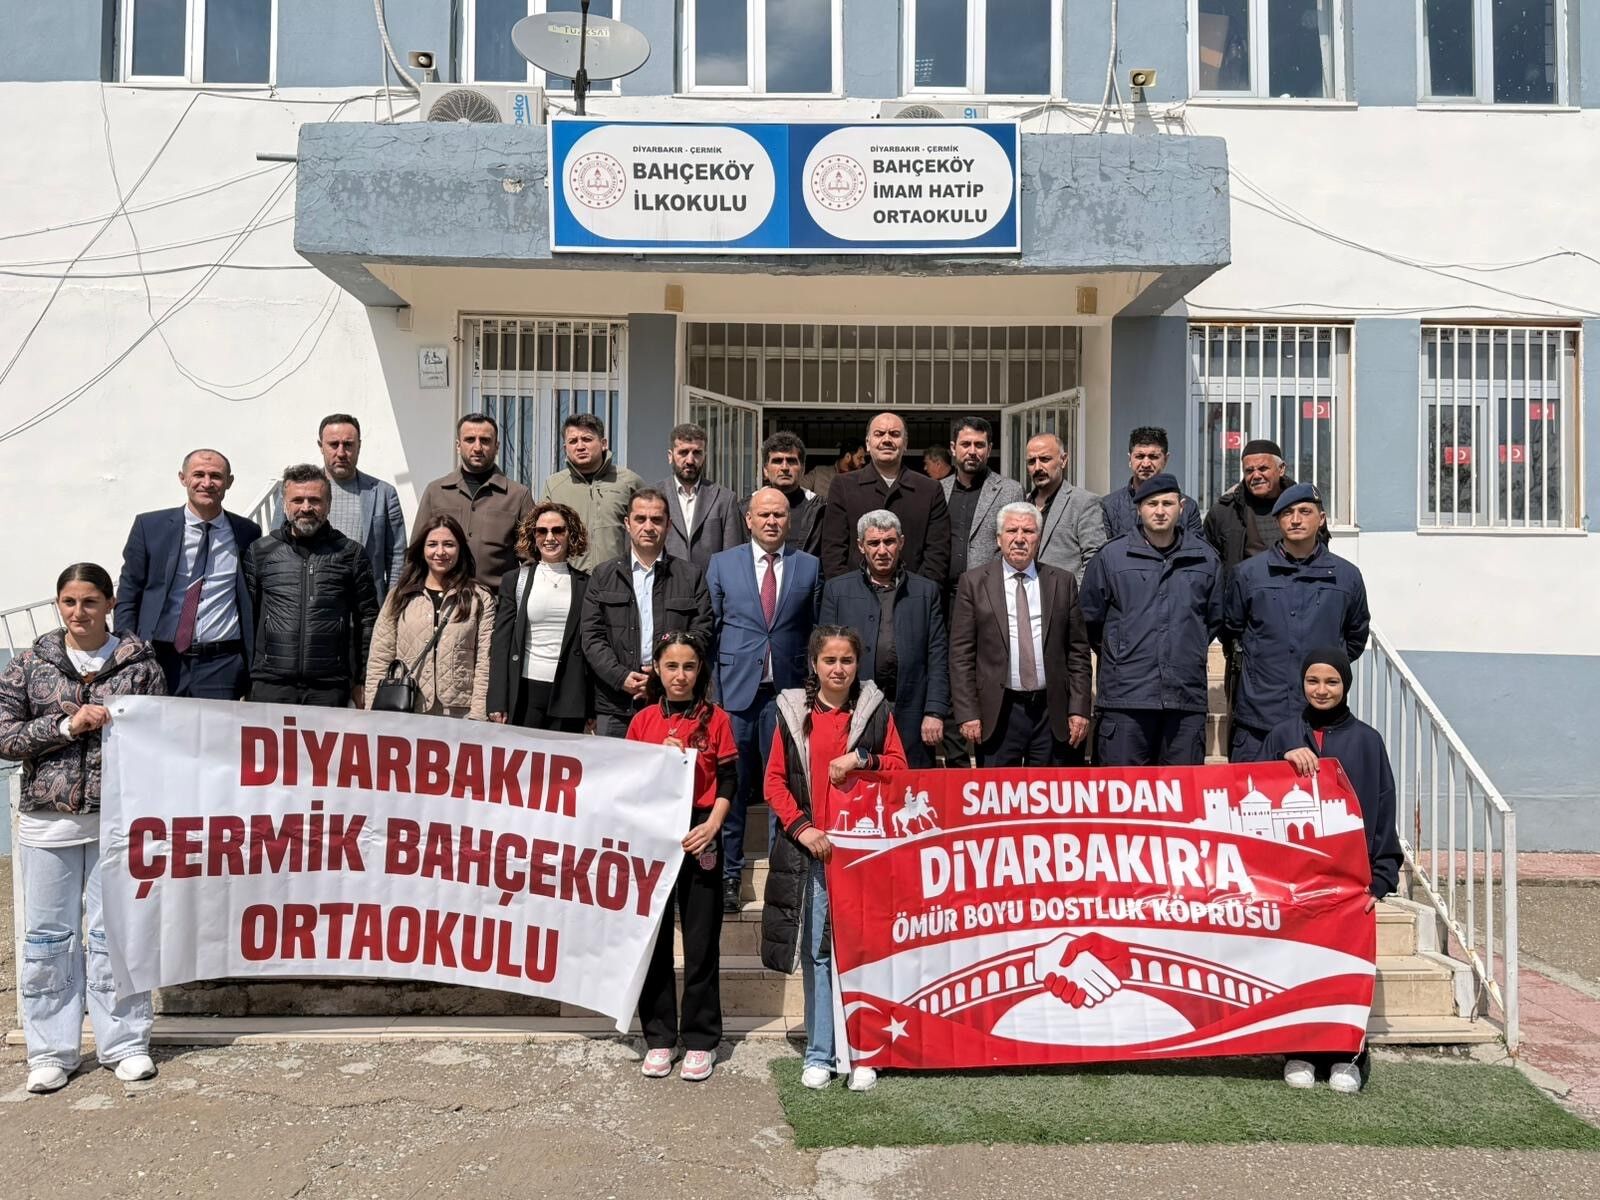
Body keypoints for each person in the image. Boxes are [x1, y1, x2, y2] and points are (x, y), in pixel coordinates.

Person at [0, 563, 167, 1094]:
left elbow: (163, 735)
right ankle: (51, 1049)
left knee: (113, 932)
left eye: (90, 601)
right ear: (58, 605)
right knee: (49, 938)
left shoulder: (139, 664)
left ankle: (125, 1042)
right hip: (48, 823)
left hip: (116, 821)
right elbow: (4, 736)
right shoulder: (30, 665)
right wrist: (67, 725)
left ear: (110, 604)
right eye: (69, 602)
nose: (79, 612)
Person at [761, 626, 907, 1093]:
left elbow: (900, 769)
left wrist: (861, 758)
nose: (838, 669)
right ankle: (821, 1052)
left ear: (857, 664)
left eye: (847, 660)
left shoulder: (876, 710)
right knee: (818, 953)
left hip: (863, 857)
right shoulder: (793, 713)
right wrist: (804, 829)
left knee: (864, 954)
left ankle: (864, 1052)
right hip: (815, 856)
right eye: (830, 660)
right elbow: (774, 782)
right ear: (814, 664)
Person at [1264, 647, 1403, 1094]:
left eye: (1331, 682)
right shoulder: (1282, 734)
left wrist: (1380, 878)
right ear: (1301, 684)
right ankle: (1300, 1049)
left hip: (1349, 882)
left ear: (1345, 685)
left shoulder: (1367, 741)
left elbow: (1383, 808)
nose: (1321, 690)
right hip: (1296, 880)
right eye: (1313, 681)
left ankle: (1347, 1054)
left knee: (1345, 969)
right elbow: (1251, 786)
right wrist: (1282, 758)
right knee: (1298, 966)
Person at [627, 631, 738, 1083]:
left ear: (699, 671)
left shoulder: (717, 719)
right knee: (652, 942)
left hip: (701, 832)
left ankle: (700, 1039)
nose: (680, 675)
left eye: (689, 666)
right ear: (657, 668)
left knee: (700, 942)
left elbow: (729, 780)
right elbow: (628, 784)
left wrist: (713, 825)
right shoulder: (643, 720)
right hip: (653, 835)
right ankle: (659, 1037)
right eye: (671, 666)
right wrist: (660, 759)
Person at [706, 487, 821, 914]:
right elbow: (712, 628)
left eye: (779, 515)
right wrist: (714, 694)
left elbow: (815, 632)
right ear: (749, 520)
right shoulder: (722, 564)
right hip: (735, 694)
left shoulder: (809, 566)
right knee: (733, 787)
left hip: (788, 695)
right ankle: (730, 875)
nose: (772, 521)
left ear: (789, 520)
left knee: (783, 786)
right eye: (764, 515)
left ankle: (780, 876)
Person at [1080, 474, 1224, 767]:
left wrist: (1186, 648)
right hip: (1126, 699)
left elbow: (1213, 619)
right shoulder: (1111, 557)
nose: (1160, 511)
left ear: (1181, 507)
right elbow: (1090, 619)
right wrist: (1120, 652)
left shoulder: (1206, 559)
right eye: (1152, 504)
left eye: (1167, 504)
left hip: (1184, 699)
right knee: (1124, 790)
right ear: (1139, 509)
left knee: (1182, 791)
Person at [1224, 483, 1370, 763]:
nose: (1295, 519)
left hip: (1320, 721)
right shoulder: (1248, 573)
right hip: (1259, 718)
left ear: (1321, 519)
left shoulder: (1346, 576)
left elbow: (1355, 637)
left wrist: (1322, 671)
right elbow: (1231, 628)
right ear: (1277, 521)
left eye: (1305, 511)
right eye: (1287, 513)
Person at [949, 503, 1092, 767]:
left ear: (1039, 537)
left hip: (1051, 712)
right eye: (1011, 530)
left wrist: (1079, 708)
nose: (1019, 538)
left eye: (1028, 531)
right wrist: (967, 712)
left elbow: (1078, 653)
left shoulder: (1062, 582)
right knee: (999, 791)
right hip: (998, 711)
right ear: (998, 538)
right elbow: (961, 655)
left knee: (1048, 791)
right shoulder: (974, 583)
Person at [115, 448, 260, 699]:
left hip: (221, 665)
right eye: (198, 474)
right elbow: (129, 594)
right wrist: (126, 650)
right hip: (160, 659)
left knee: (216, 726)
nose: (207, 483)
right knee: (157, 725)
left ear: (229, 482)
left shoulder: (247, 532)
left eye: (216, 476)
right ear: (183, 478)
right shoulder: (150, 527)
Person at [819, 510, 949, 770]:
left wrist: (934, 711)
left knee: (910, 785)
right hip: (853, 711)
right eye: (874, 543)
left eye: (889, 541)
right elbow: (824, 655)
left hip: (912, 712)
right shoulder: (837, 590)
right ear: (861, 546)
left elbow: (937, 657)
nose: (882, 550)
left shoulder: (926, 591)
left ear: (901, 542)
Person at [244, 464, 380, 707]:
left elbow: (367, 620)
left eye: (315, 500)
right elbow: (247, 619)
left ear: (328, 504)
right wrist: (245, 677)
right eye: (297, 500)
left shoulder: (351, 554)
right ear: (285, 505)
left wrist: (363, 679)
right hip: (270, 684)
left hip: (329, 687)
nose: (306, 508)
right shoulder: (260, 551)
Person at [581, 489, 714, 737]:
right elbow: (592, 637)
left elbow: (701, 631)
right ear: (627, 524)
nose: (649, 527)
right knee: (614, 763)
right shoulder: (603, 575)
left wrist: (664, 673)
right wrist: (621, 677)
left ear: (669, 525)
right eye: (640, 519)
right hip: (616, 703)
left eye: (657, 520)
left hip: (672, 701)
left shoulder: (690, 575)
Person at [363, 515, 495, 719]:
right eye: (432, 544)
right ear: (422, 549)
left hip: (460, 712)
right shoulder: (400, 595)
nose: (440, 552)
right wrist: (373, 711)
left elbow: (485, 662)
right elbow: (380, 656)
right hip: (407, 708)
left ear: (460, 549)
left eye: (449, 544)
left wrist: (477, 716)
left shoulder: (480, 598)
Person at [272, 414, 407, 597]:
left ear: (359, 446)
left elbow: (397, 555)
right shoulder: (294, 492)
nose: (341, 453)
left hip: (364, 601)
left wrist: (392, 603)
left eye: (348, 444)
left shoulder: (383, 493)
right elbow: (277, 546)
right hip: (310, 600)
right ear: (321, 446)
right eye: (334, 444)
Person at [487, 503, 594, 733]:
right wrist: (497, 699)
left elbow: (592, 645)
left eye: (558, 530)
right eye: (542, 531)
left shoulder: (587, 584)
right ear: (532, 535)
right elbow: (501, 642)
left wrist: (591, 705)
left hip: (570, 694)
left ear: (571, 534)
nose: (550, 537)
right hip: (525, 692)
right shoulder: (515, 580)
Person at [819, 412, 951, 587]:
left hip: (913, 595)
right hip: (854, 596)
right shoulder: (843, 485)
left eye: (895, 434)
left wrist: (920, 594)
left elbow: (937, 553)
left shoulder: (930, 489)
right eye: (879, 434)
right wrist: (847, 594)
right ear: (868, 443)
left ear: (905, 443)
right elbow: (833, 551)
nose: (887, 439)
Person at [414, 413, 536, 588]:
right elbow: (416, 551)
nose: (477, 447)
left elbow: (531, 560)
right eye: (470, 439)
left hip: (497, 599)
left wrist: (514, 597)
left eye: (485, 440)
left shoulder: (518, 495)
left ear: (497, 446)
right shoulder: (436, 492)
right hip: (444, 597)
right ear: (458, 445)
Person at [541, 412, 644, 571]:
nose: (580, 446)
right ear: (565, 448)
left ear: (603, 443)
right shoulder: (553, 486)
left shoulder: (629, 482)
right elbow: (542, 537)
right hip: (568, 580)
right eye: (573, 441)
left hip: (617, 578)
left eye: (587, 439)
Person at [940, 416, 1025, 589]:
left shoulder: (1010, 491)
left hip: (990, 591)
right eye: (965, 444)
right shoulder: (939, 490)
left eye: (979, 445)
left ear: (989, 449)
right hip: (944, 593)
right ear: (953, 448)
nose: (972, 451)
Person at [654, 422, 745, 572]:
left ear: (704, 456)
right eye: (683, 452)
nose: (690, 460)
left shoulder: (725, 499)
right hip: (664, 583)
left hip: (708, 585)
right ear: (670, 456)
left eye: (697, 453)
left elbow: (733, 557)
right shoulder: (654, 496)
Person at [1026, 432, 1105, 583]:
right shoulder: (1022, 503)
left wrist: (1074, 595)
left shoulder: (1084, 503)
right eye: (1031, 461)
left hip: (1066, 595)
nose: (1037, 467)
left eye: (1045, 459)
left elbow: (1095, 559)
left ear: (1063, 460)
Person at [1101, 427, 1203, 542]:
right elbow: (1104, 551)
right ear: (1130, 459)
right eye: (1139, 456)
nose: (1146, 464)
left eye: (1153, 457)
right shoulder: (1108, 506)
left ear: (1166, 459)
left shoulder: (1187, 507)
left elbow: (1198, 548)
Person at [756, 431, 825, 557]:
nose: (784, 467)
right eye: (777, 461)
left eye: (791, 461)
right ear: (765, 470)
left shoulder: (821, 510)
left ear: (803, 469)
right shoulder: (745, 508)